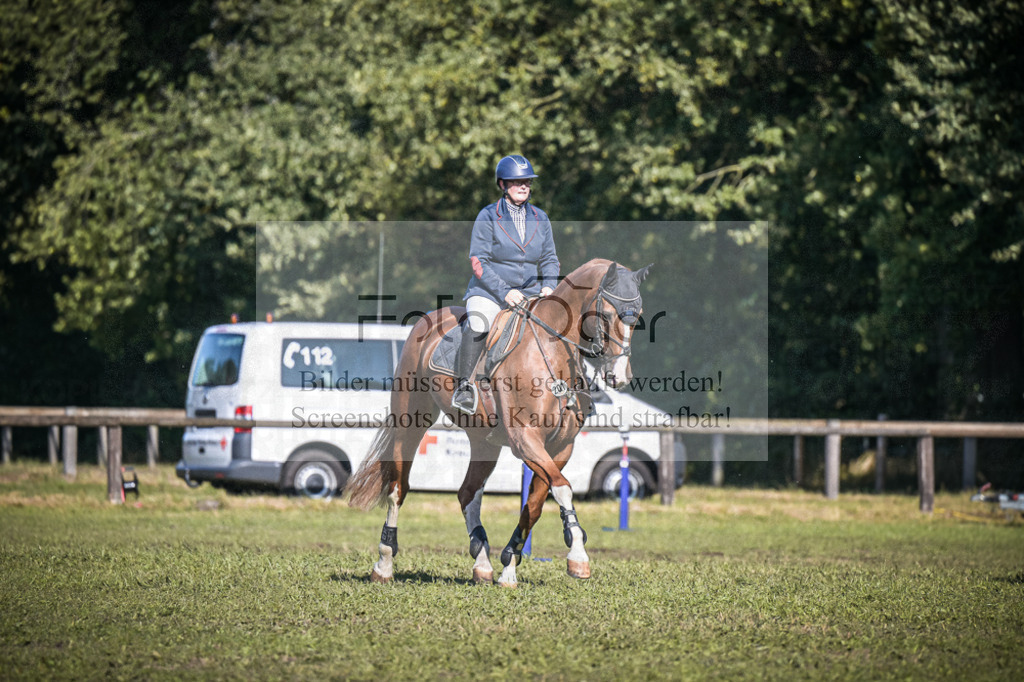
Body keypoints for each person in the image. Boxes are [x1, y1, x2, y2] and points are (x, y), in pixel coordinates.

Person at [452, 154, 560, 415]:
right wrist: (505, 291)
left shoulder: (541, 218)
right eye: (516, 181)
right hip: (490, 291)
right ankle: (464, 386)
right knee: (480, 322)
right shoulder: (488, 216)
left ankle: (575, 387)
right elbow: (479, 262)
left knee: (560, 324)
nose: (524, 186)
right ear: (502, 184)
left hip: (532, 293)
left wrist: (549, 285)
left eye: (527, 181)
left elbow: (549, 258)